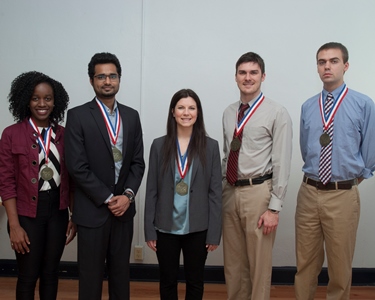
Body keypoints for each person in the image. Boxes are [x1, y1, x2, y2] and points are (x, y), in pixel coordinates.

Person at [295, 42, 375, 300]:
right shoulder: (308, 106)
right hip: (308, 192)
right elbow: (307, 150)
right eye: (321, 62)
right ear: (317, 67)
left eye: (333, 61)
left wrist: (348, 180)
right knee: (305, 263)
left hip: (342, 195)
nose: (327, 66)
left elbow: (370, 154)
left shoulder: (363, 104)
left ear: (346, 65)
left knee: (340, 268)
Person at [64, 52, 145, 300]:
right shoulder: (77, 116)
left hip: (123, 212)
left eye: (112, 76)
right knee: (90, 279)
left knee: (121, 277)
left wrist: (127, 196)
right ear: (91, 80)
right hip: (92, 212)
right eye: (101, 76)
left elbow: (137, 162)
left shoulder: (132, 116)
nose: (107, 81)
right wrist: (110, 198)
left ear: (119, 79)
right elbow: (77, 166)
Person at [222, 52, 293, 300]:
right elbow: (225, 155)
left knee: (259, 266)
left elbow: (282, 162)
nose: (247, 77)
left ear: (263, 76)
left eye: (253, 73)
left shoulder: (277, 112)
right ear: (235, 77)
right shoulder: (229, 112)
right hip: (230, 192)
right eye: (242, 73)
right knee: (233, 264)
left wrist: (274, 208)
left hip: (259, 193)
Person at [0, 71, 76, 299]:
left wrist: (74, 215)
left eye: (48, 98)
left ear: (56, 101)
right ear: (26, 100)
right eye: (35, 98)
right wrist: (14, 225)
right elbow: (6, 182)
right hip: (25, 214)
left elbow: (73, 180)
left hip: (58, 212)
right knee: (27, 275)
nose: (42, 104)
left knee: (51, 273)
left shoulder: (65, 135)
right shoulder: (11, 134)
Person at [144, 88, 222, 300]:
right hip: (165, 226)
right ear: (173, 112)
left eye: (191, 108)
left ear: (198, 113)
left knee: (195, 282)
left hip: (198, 228)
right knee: (167, 281)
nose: (186, 113)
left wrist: (215, 232)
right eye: (181, 107)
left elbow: (215, 193)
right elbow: (151, 189)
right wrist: (149, 230)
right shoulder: (159, 145)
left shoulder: (211, 147)